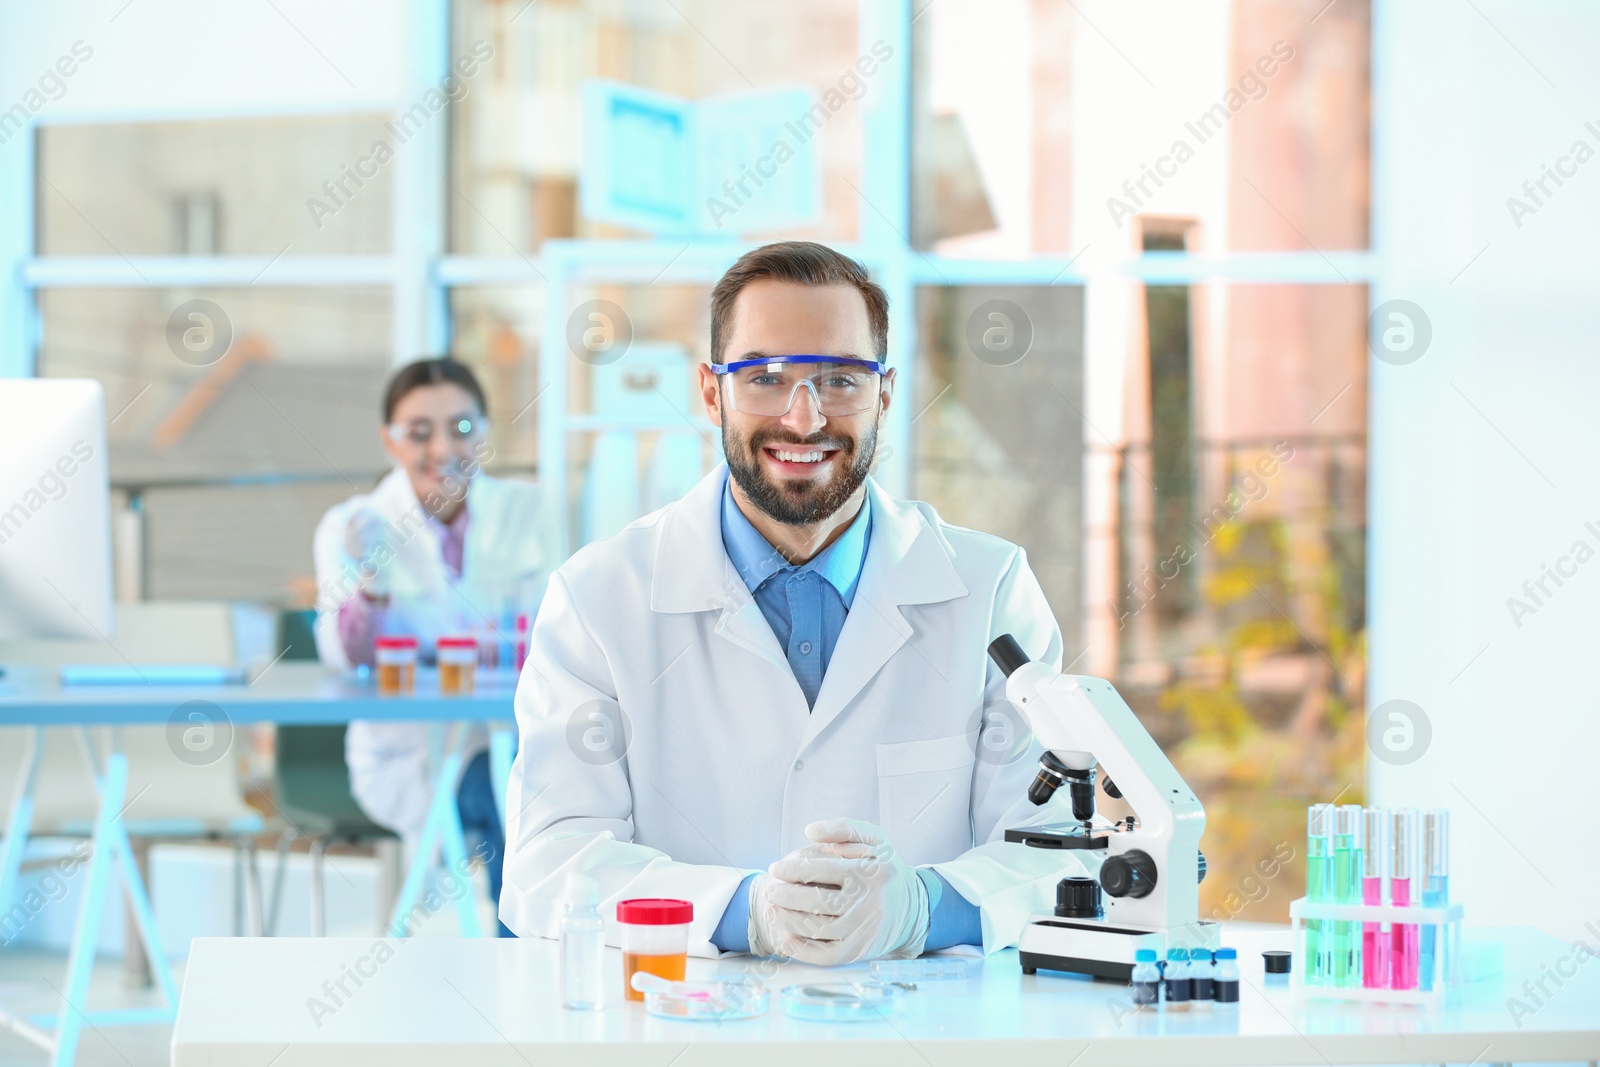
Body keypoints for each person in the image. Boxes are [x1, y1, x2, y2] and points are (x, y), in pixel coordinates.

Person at [500, 241, 1090, 963]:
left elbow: (1062, 846)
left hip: (920, 1031)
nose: (804, 418)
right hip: (685, 1024)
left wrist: (924, 908)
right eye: (766, 376)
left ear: (886, 391)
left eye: (840, 377)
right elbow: (550, 861)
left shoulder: (990, 587)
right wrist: (740, 912)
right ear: (712, 392)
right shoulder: (599, 599)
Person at [313, 357, 558, 936]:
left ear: (486, 433)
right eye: (419, 432)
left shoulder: (529, 510)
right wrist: (369, 583)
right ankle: (518, 971)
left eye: (462, 428)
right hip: (408, 754)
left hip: (512, 737)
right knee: (514, 803)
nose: (443, 447)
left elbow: (555, 634)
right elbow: (345, 659)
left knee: (540, 794)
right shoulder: (353, 525)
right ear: (390, 441)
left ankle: (524, 968)